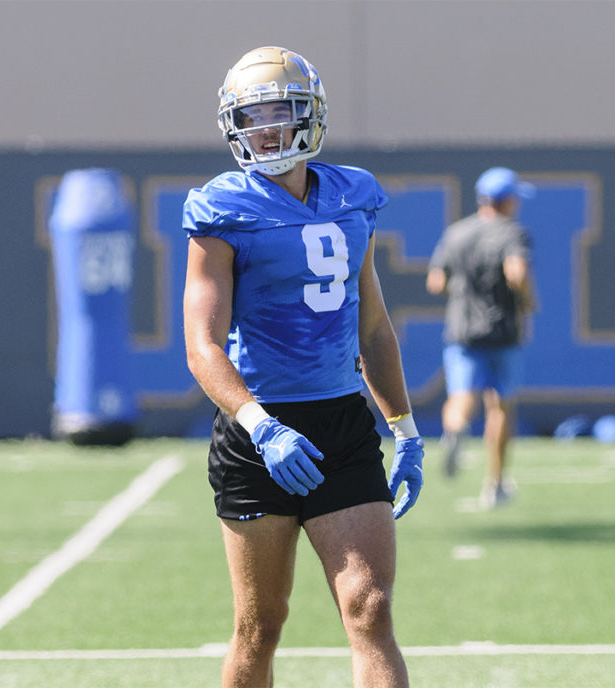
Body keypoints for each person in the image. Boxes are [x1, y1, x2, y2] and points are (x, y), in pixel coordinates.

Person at [181, 47, 424, 688]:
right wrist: (259, 424)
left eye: (277, 112)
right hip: (258, 430)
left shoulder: (353, 195)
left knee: (369, 608)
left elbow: (372, 325)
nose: (263, 128)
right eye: (250, 116)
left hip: (341, 422)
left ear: (308, 117)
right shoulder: (222, 207)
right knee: (261, 627)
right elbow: (202, 344)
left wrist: (404, 429)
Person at [426, 167, 535, 509]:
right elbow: (516, 274)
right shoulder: (511, 233)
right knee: (500, 406)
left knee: (461, 397)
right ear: (508, 200)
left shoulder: (456, 233)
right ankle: (495, 483)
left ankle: (455, 428)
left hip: (462, 329)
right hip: (502, 330)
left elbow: (436, 283)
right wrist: (529, 302)